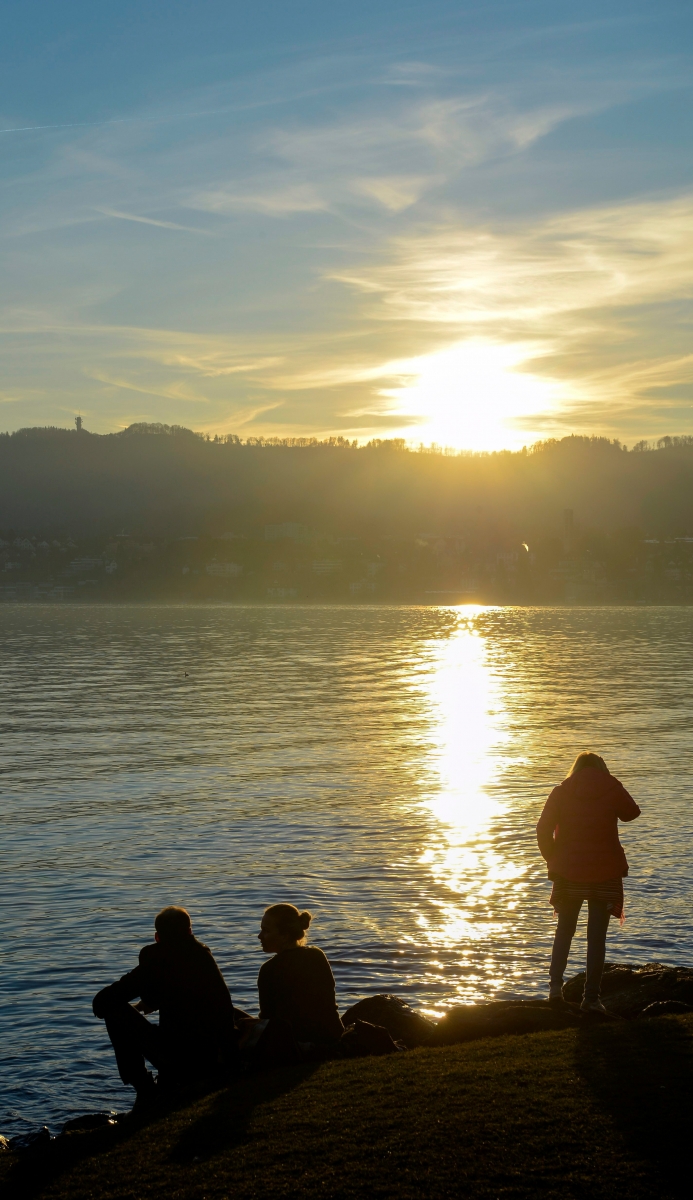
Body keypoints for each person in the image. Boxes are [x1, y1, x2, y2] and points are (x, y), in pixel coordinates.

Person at [93, 906, 237, 1102]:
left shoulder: (156, 959)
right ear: (189, 932)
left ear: (157, 937)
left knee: (113, 1010)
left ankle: (145, 1088)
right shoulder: (203, 956)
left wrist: (143, 998)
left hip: (182, 1060)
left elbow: (101, 1002)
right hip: (214, 1057)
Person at [537, 752, 641, 1013]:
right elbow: (632, 813)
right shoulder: (610, 787)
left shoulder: (561, 791)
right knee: (597, 938)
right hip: (605, 872)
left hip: (568, 871)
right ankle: (591, 999)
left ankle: (554, 990)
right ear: (601, 769)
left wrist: (554, 858)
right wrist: (612, 784)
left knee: (564, 931)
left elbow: (542, 829)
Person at [257, 904, 344, 1045]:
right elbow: (328, 1007)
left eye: (266, 931)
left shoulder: (269, 969)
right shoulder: (317, 955)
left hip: (296, 1045)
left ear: (285, 936)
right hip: (331, 1037)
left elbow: (268, 1019)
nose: (260, 936)